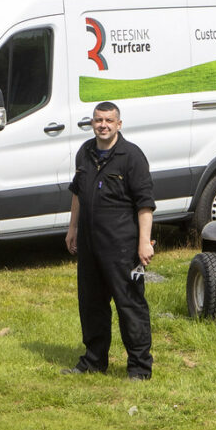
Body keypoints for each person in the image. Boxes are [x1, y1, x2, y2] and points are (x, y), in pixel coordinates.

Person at [64, 101, 155, 380]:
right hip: (90, 246)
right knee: (91, 304)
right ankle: (94, 360)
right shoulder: (85, 152)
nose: (103, 125)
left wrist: (144, 242)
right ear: (92, 123)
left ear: (119, 124)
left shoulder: (132, 157)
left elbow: (145, 205)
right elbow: (78, 193)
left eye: (108, 121)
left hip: (122, 247)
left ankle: (139, 368)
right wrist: (72, 229)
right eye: (98, 120)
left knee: (130, 305)